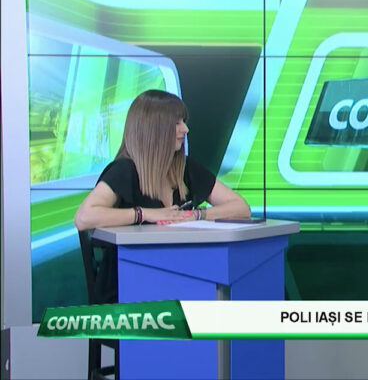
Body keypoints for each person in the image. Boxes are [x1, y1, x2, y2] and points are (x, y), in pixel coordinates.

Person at [74, 89, 251, 303]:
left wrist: (197, 215)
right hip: (128, 290)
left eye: (183, 122)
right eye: (176, 123)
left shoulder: (185, 169)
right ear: (154, 128)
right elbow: (84, 217)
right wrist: (146, 214)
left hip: (179, 280)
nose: (185, 129)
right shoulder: (124, 170)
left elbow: (241, 208)